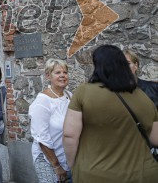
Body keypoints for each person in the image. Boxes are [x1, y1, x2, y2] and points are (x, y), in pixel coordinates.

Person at [63, 45, 158, 182]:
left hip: (97, 174)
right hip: (144, 174)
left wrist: (72, 166)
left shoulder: (84, 92)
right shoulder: (142, 96)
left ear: (97, 65)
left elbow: (70, 135)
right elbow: (155, 138)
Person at [27, 59, 71, 183]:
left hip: (66, 158)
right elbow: (42, 138)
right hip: (48, 160)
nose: (62, 75)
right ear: (48, 76)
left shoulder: (69, 96)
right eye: (57, 72)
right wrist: (56, 166)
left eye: (65, 72)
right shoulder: (42, 102)